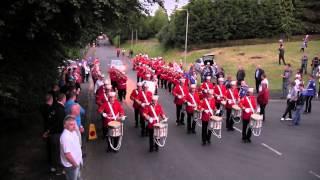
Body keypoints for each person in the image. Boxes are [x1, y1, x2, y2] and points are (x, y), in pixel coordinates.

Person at [60, 115, 83, 180]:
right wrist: (75, 164)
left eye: (74, 124)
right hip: (71, 165)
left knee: (78, 176)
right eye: (71, 124)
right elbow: (67, 154)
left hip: (77, 161)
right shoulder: (65, 137)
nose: (73, 126)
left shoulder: (73, 131)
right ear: (65, 126)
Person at [40, 94, 55, 172]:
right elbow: (51, 120)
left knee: (48, 145)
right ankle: (51, 163)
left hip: (45, 127)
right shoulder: (50, 109)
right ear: (50, 100)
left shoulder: (42, 107)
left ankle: (49, 159)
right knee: (51, 145)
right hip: (49, 129)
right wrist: (48, 131)